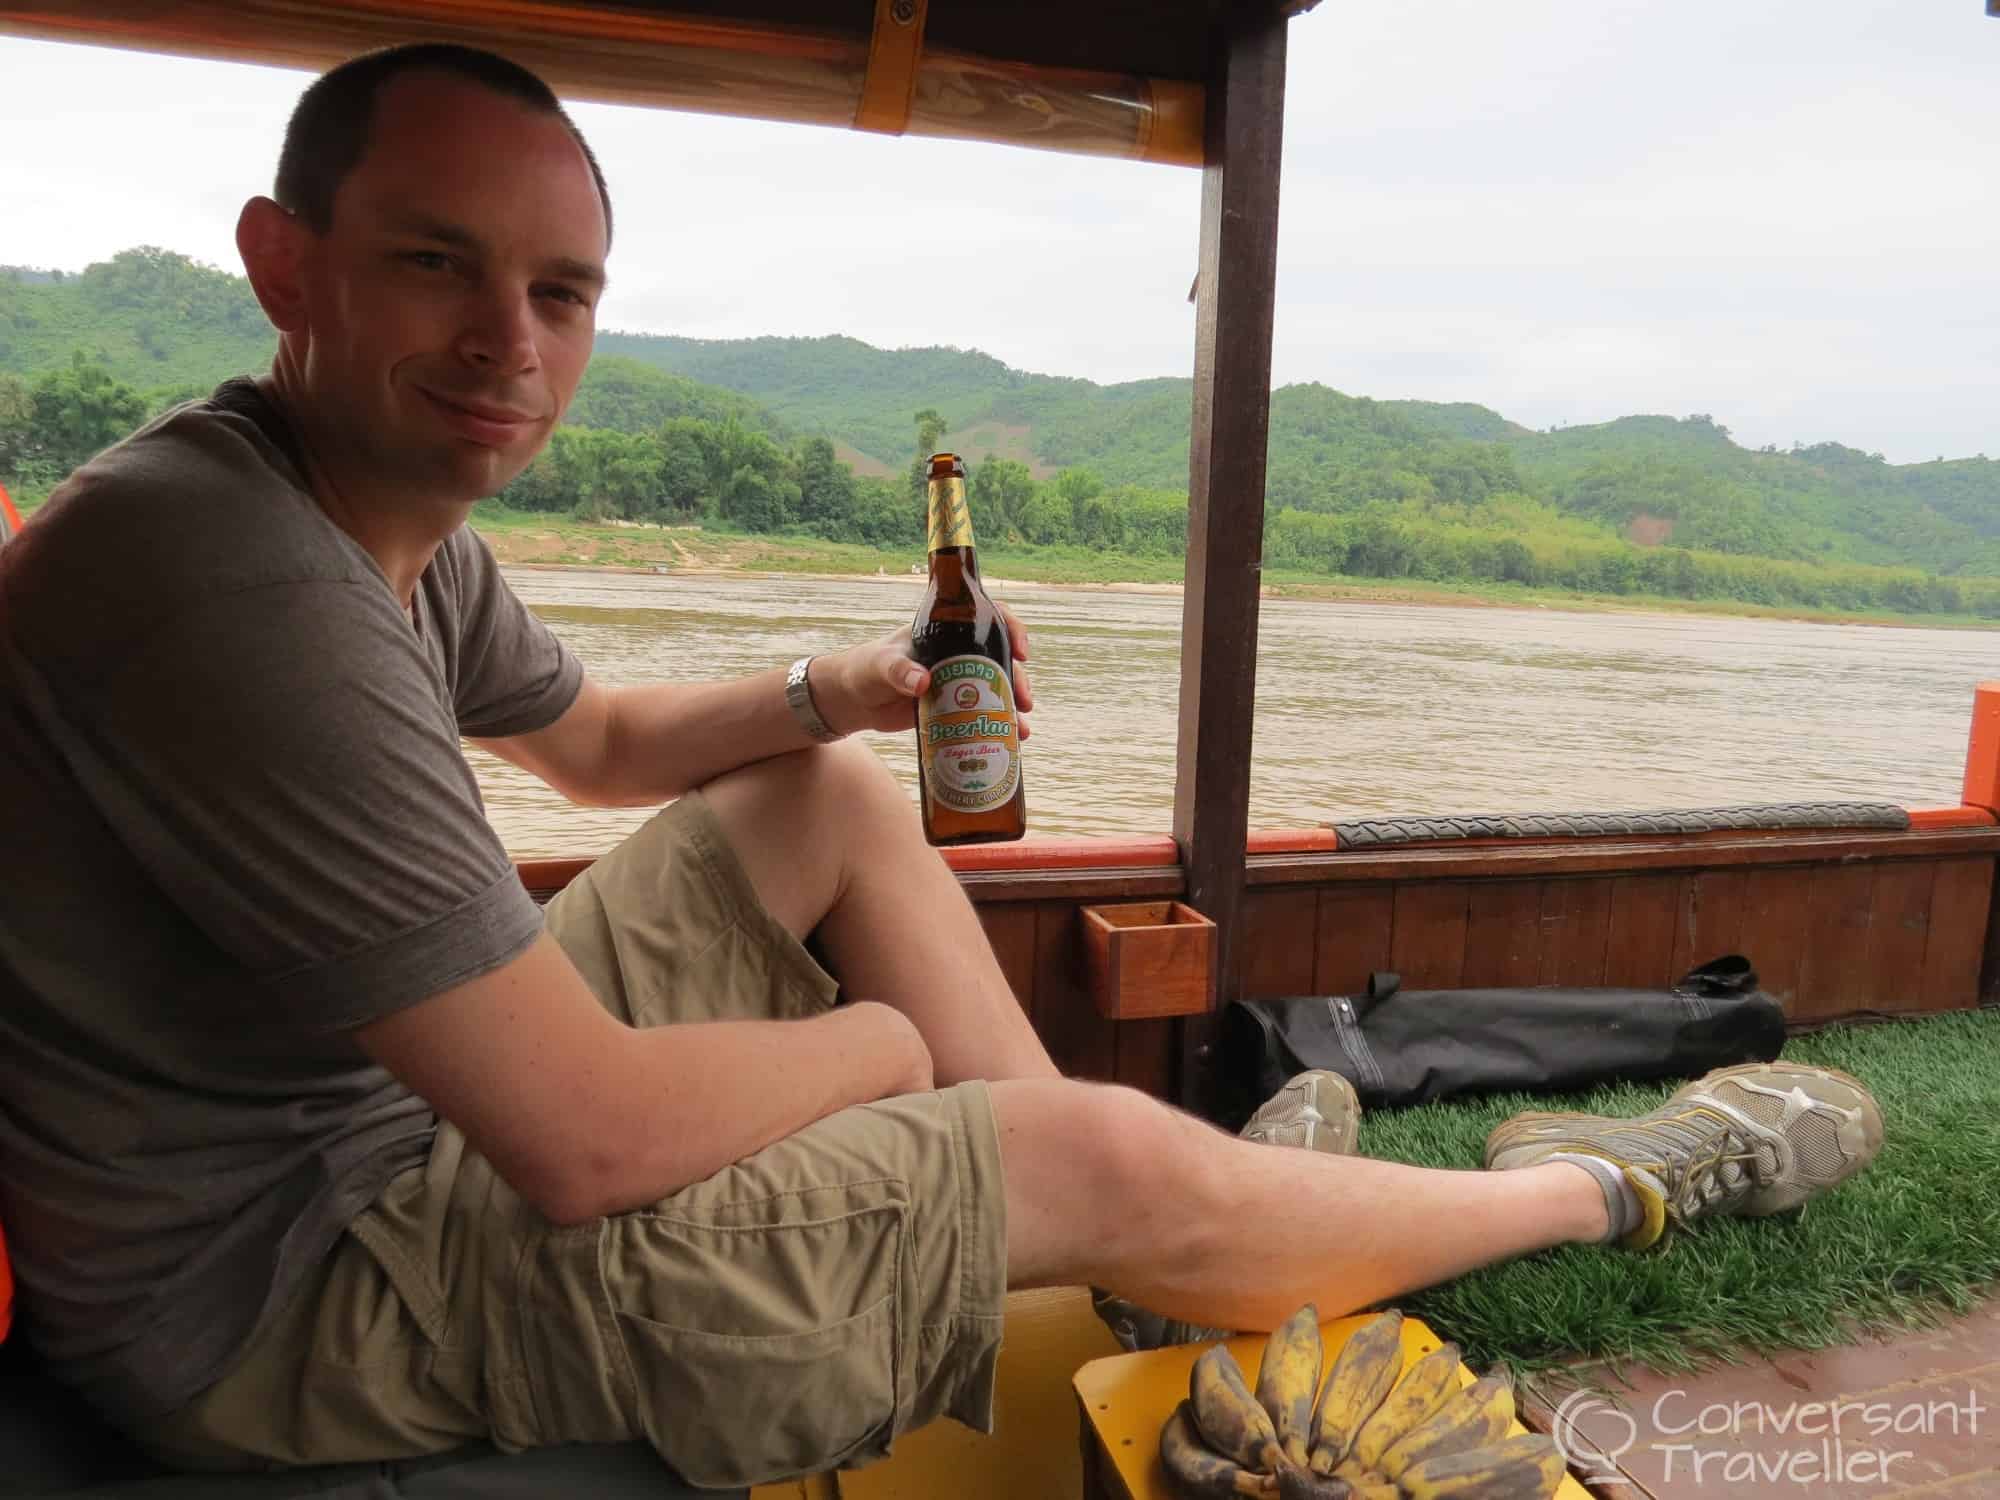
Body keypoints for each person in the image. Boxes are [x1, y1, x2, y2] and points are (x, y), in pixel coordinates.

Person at [0, 42, 1884, 1490]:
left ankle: (1123, 1218)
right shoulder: (229, 586)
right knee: (1035, 1123)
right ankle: (1602, 1185)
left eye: (560, 292)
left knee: (817, 799)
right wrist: (884, 1060)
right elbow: (580, 1146)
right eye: (438, 265)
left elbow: (596, 749)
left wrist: (851, 687)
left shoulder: (364, 508)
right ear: (282, 262)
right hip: (289, 1299)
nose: (511, 342)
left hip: (382, 1146)